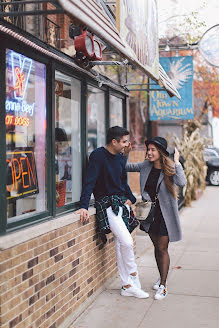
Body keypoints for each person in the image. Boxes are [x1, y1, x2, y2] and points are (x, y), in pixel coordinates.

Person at [76, 126, 149, 299]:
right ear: (114, 141)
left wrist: (130, 197)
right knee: (127, 242)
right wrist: (84, 206)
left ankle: (127, 285)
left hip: (120, 204)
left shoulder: (119, 157)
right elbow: (89, 181)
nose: (127, 144)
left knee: (120, 243)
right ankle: (133, 277)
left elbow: (122, 182)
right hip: (106, 205)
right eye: (124, 141)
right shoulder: (98, 155)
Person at [124, 136, 187, 300]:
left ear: (160, 152)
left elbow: (182, 181)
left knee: (162, 248)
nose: (149, 153)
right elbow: (125, 167)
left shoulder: (170, 167)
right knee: (156, 247)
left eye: (152, 150)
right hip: (149, 214)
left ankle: (163, 285)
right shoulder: (145, 166)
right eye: (148, 150)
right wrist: (124, 152)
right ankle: (162, 275)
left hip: (165, 215)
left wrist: (177, 162)